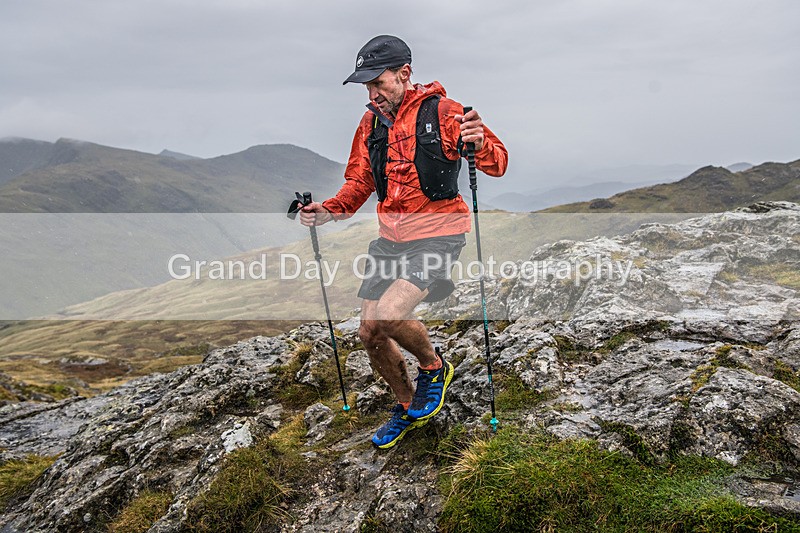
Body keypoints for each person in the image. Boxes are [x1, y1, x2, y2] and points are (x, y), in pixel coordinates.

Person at [300, 35, 508, 448]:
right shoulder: (371, 124)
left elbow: (498, 163)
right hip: (388, 240)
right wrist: (328, 211)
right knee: (370, 333)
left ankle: (434, 368)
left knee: (392, 314)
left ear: (404, 74)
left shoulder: (445, 113)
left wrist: (481, 143)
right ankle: (408, 406)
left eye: (378, 83)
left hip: (439, 234)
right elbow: (359, 181)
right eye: (367, 87)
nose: (373, 94)